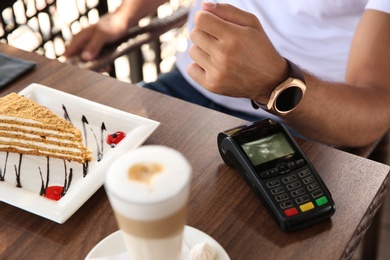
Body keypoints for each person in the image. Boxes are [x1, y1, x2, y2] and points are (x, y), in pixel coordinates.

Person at [64, 0, 390, 148]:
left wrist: (273, 84)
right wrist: (121, 18)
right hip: (184, 88)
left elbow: (376, 106)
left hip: (306, 125)